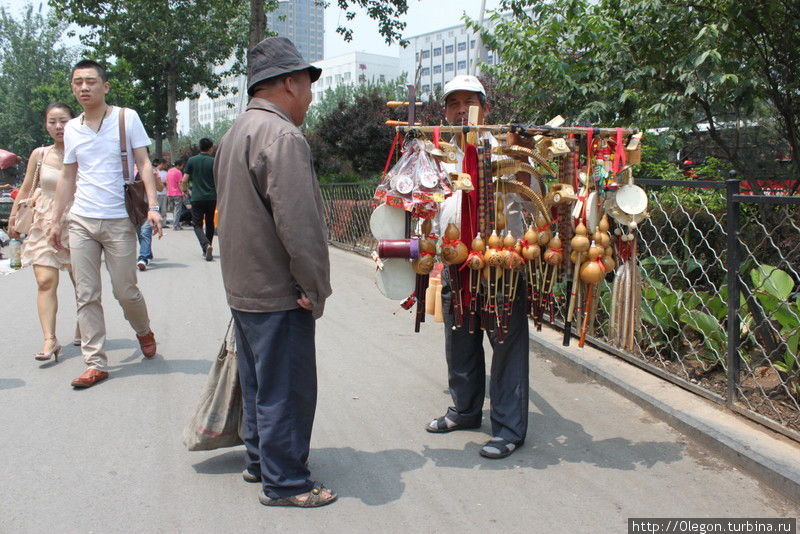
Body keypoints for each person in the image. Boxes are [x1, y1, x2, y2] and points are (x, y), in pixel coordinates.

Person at [214, 37, 335, 508]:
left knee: (260, 380)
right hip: (278, 289)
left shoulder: (237, 131)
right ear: (288, 82)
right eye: (307, 84)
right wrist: (314, 286)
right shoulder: (282, 136)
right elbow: (300, 226)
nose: (309, 95)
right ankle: (287, 483)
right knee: (286, 387)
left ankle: (261, 460)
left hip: (245, 286)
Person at [425, 75, 532, 459]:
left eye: (469, 101)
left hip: (498, 264)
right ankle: (465, 410)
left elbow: (530, 195)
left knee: (505, 345)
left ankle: (508, 428)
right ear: (445, 112)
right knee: (460, 340)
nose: (460, 109)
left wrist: (522, 152)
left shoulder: (504, 150)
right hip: (456, 263)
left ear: (485, 109)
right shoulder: (437, 156)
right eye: (453, 103)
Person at [49, 59, 162, 389]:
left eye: (90, 81)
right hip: (82, 220)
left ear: (105, 86)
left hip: (119, 221)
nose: (83, 87)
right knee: (86, 294)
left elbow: (144, 162)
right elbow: (69, 176)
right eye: (77, 83)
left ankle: (143, 330)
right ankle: (95, 362)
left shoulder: (127, 118)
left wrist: (153, 207)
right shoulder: (72, 128)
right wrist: (57, 220)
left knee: (124, 290)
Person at [7, 103, 81, 361]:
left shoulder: (85, 150)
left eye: (63, 120)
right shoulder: (39, 154)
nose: (58, 126)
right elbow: (26, 187)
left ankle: (85, 324)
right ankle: (50, 339)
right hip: (43, 220)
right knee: (44, 281)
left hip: (77, 220)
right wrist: (14, 217)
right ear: (46, 125)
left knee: (81, 284)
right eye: (52, 121)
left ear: (74, 121)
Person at [183, 138, 216, 260]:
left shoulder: (192, 160)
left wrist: (185, 191)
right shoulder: (214, 161)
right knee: (210, 222)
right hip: (212, 197)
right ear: (211, 148)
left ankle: (205, 245)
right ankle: (209, 245)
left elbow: (184, 180)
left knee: (197, 224)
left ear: (199, 147)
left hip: (197, 197)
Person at [136, 162, 165, 271]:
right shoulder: (127, 169)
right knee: (140, 233)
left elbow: (161, 188)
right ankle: (147, 253)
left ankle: (143, 257)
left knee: (144, 232)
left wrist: (153, 178)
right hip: (134, 207)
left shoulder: (153, 171)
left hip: (150, 207)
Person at [165, 159, 185, 229]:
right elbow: (180, 183)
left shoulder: (169, 171)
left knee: (174, 210)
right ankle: (175, 225)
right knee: (178, 210)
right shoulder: (178, 172)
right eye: (182, 166)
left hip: (169, 193)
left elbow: (167, 182)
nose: (182, 167)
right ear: (178, 165)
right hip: (177, 193)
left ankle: (177, 224)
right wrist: (183, 191)